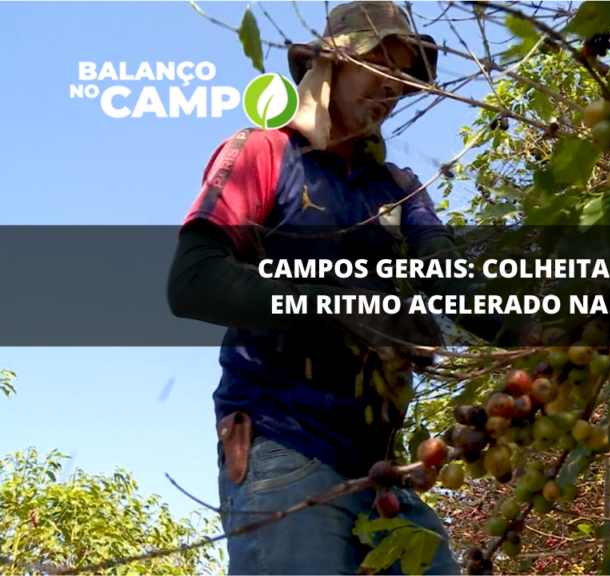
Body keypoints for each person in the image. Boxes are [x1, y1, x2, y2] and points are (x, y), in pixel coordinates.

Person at [167, 2, 529, 573]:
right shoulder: (265, 153)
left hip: (380, 470)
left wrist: (546, 329)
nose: (391, 91)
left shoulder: (400, 188)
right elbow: (192, 282)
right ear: (333, 64)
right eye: (378, 69)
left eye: (402, 79)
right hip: (284, 448)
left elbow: (453, 282)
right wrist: (337, 304)